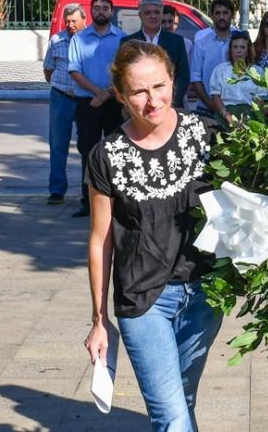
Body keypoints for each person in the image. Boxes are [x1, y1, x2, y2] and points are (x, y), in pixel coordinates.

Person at [83, 41, 222, 431]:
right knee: (171, 416)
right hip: (143, 301)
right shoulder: (106, 156)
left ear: (173, 80)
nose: (152, 100)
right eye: (139, 92)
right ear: (120, 96)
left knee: (182, 400)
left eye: (159, 86)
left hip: (204, 296)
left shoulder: (208, 136)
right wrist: (99, 319)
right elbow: (100, 239)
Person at [68, 0, 126, 218]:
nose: (101, 11)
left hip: (114, 103)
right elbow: (74, 70)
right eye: (97, 8)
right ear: (91, 12)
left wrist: (108, 94)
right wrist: (97, 93)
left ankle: (117, 201)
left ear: (111, 11)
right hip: (88, 103)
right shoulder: (79, 39)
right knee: (88, 152)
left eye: (105, 8)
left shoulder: (121, 38)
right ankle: (88, 202)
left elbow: (123, 71)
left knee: (115, 151)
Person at [44, 3, 86, 205]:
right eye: (67, 21)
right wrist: (61, 85)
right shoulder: (56, 40)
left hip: (84, 99)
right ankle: (57, 190)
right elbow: (48, 69)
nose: (70, 25)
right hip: (61, 97)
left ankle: (89, 192)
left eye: (74, 21)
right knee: (58, 144)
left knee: (87, 146)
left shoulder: (89, 40)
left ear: (84, 20)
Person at [122, 0, 190, 109]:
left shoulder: (176, 41)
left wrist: (171, 100)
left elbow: (183, 75)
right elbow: (124, 75)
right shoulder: (128, 42)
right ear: (140, 15)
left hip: (171, 105)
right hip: (139, 106)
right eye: (148, 13)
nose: (152, 16)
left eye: (156, 12)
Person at [209, 31, 268, 127]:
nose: (238, 51)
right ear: (230, 50)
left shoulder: (258, 72)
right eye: (235, 47)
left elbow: (260, 99)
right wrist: (227, 116)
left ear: (248, 51)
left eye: (242, 47)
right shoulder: (220, 70)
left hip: (250, 114)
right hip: (225, 114)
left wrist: (247, 118)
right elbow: (215, 96)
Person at [190, 0, 237, 116]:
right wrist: (209, 103)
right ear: (212, 15)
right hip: (206, 108)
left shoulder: (240, 42)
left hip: (235, 108)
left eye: (225, 13)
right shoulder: (201, 44)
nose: (221, 17)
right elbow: (195, 77)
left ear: (232, 15)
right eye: (218, 13)